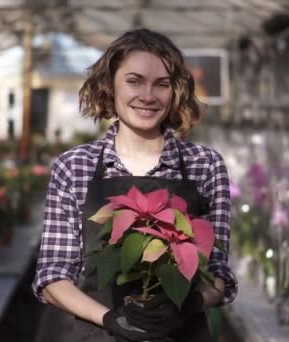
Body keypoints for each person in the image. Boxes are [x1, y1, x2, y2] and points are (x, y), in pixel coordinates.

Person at [32, 28, 237, 341]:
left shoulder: (204, 165)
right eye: (134, 81)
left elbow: (218, 273)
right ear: (110, 85)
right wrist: (111, 318)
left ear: (176, 91)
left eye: (162, 84)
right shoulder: (74, 166)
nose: (148, 96)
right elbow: (52, 275)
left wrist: (190, 303)